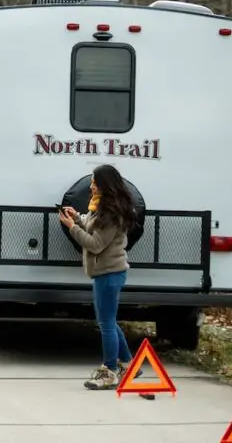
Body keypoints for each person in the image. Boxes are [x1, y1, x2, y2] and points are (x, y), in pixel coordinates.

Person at [59, 164, 137, 390]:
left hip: (110, 273)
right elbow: (94, 228)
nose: (91, 186)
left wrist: (72, 227)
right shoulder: (101, 207)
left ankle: (109, 371)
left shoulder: (112, 213)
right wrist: (79, 218)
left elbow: (95, 244)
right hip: (104, 272)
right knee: (109, 321)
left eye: (94, 182)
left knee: (106, 324)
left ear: (105, 185)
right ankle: (128, 365)